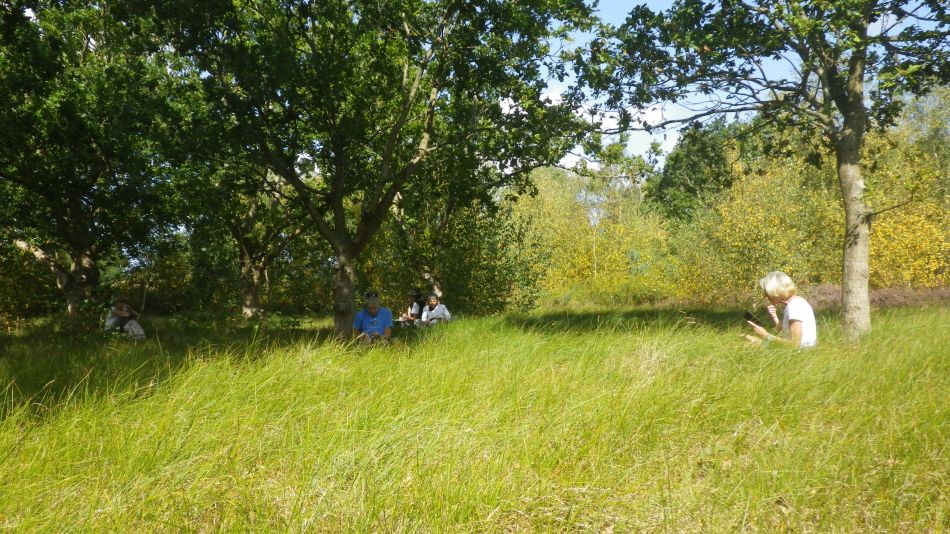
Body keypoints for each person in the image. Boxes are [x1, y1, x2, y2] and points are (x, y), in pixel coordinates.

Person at [745, 271, 817, 348]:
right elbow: (785, 332)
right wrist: (774, 317)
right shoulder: (796, 302)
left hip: (799, 355)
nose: (765, 295)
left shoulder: (794, 306)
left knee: (748, 344)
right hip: (797, 352)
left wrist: (766, 335)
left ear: (775, 290)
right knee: (747, 338)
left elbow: (795, 344)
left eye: (766, 291)